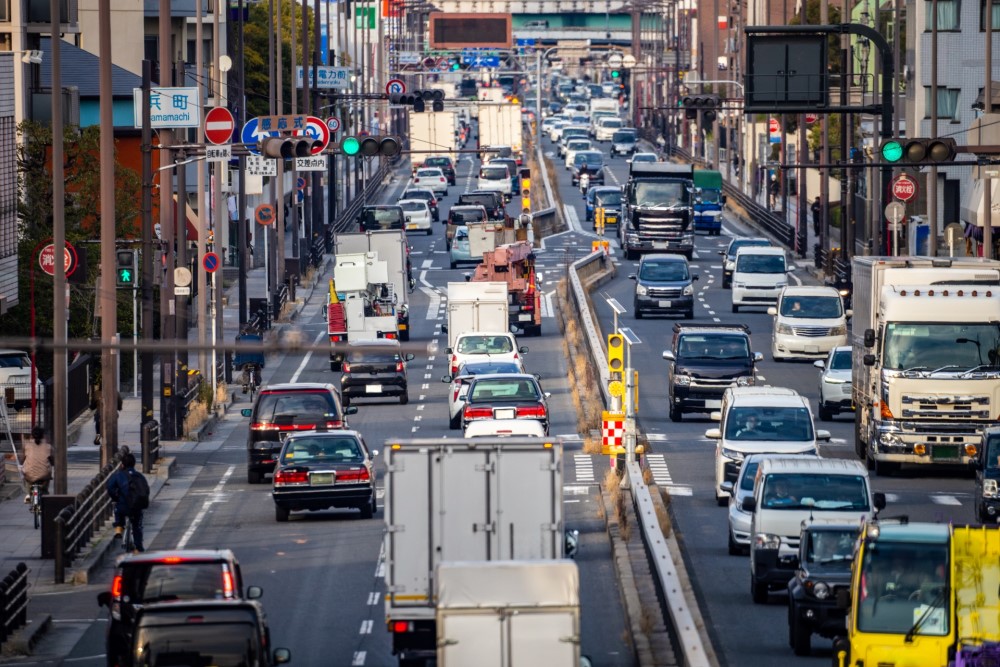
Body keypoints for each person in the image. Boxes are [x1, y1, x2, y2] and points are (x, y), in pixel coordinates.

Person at [106, 452, 146, 553]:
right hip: (137, 507)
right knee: (137, 526)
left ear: (122, 465)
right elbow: (146, 490)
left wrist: (116, 497)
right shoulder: (139, 476)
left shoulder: (118, 475)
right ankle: (138, 548)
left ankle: (119, 528)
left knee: (117, 509)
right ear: (134, 464)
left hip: (123, 506)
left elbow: (110, 488)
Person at [22, 426, 53, 499]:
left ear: (32, 435)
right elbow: (52, 460)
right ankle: (45, 493)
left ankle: (28, 494)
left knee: (25, 478)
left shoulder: (27, 446)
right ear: (43, 436)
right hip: (44, 475)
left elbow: (22, 460)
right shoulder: (48, 446)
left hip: (29, 474)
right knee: (47, 477)